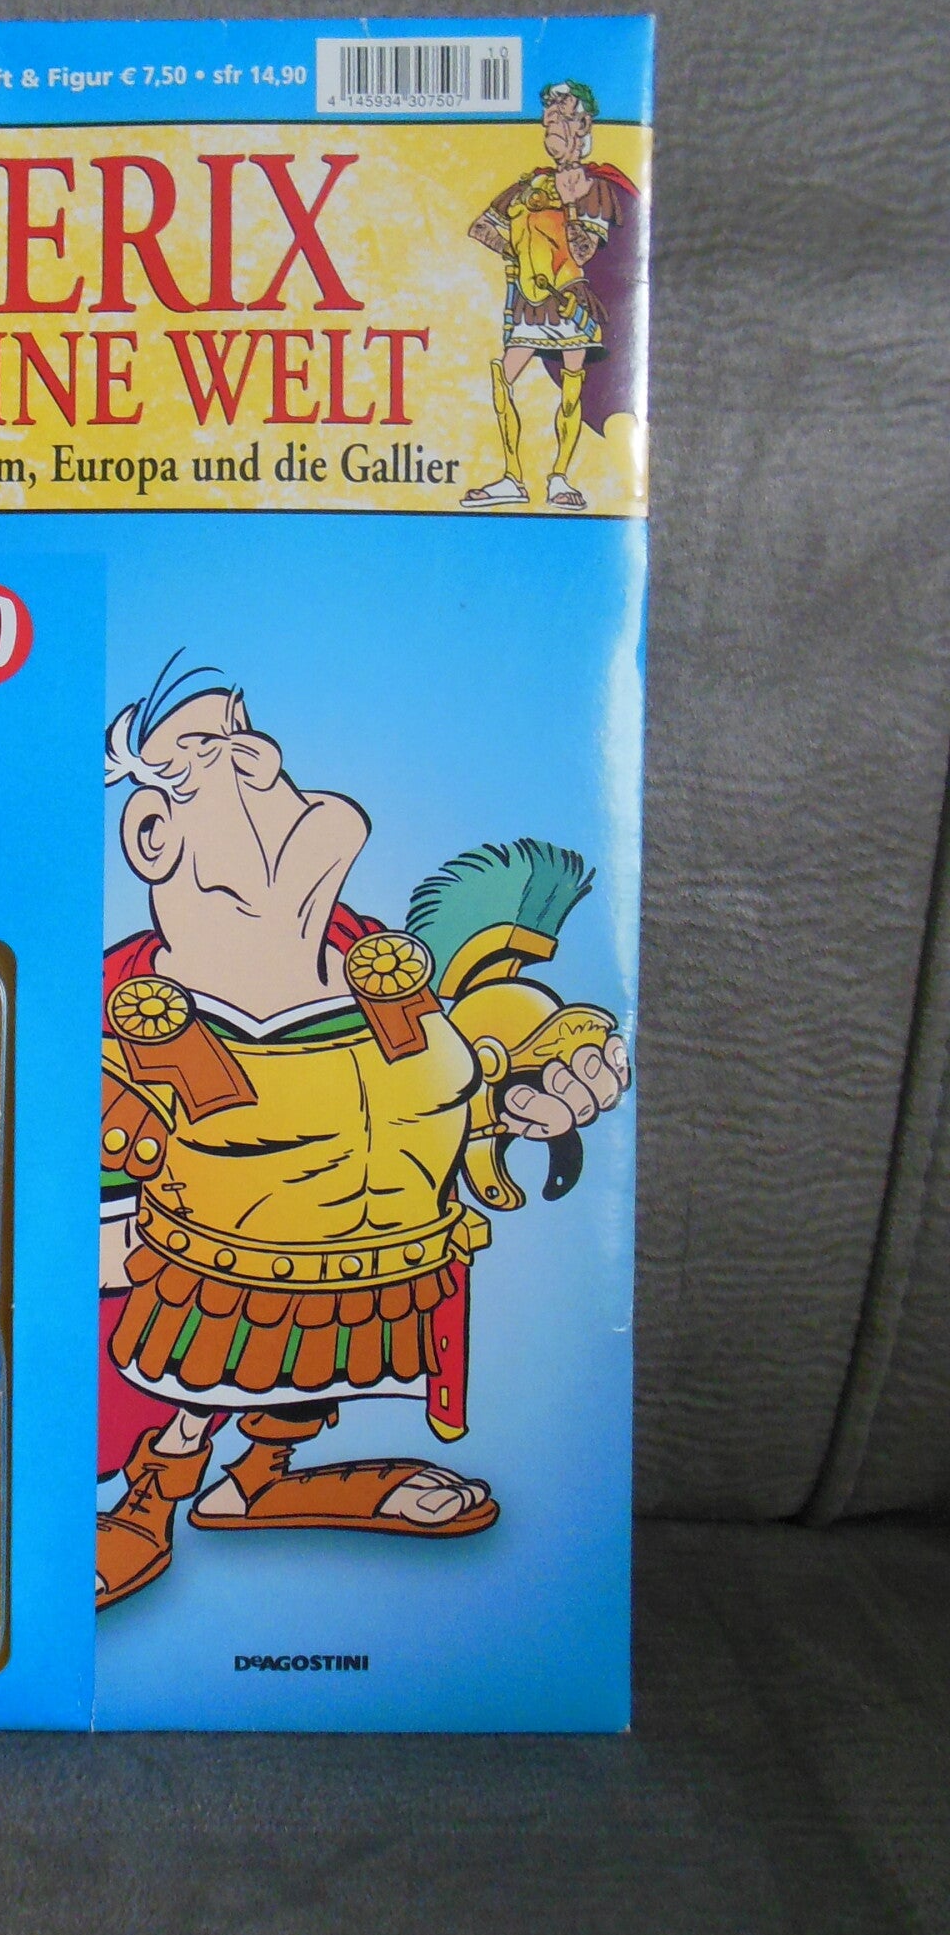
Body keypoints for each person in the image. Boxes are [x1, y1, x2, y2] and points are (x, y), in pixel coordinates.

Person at [95, 659, 630, 1610]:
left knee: (316, 1344)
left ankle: (260, 1478)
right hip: (190, 1292)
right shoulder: (125, 1014)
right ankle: (153, 1495)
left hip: (375, 1280)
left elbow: (462, 1078)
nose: (262, 756)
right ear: (150, 833)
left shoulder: (374, 965)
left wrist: (536, 1087)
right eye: (214, 749)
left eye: (253, 736)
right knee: (198, 1340)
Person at [461, 80, 639, 511]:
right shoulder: (531, 184)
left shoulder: (595, 186)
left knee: (571, 391)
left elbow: (582, 251)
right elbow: (482, 228)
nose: (550, 126)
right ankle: (512, 477)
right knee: (503, 379)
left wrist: (571, 204)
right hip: (529, 301)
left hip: (571, 303)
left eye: (560, 118)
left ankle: (559, 478)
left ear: (583, 124)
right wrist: (525, 257)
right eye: (548, 119)